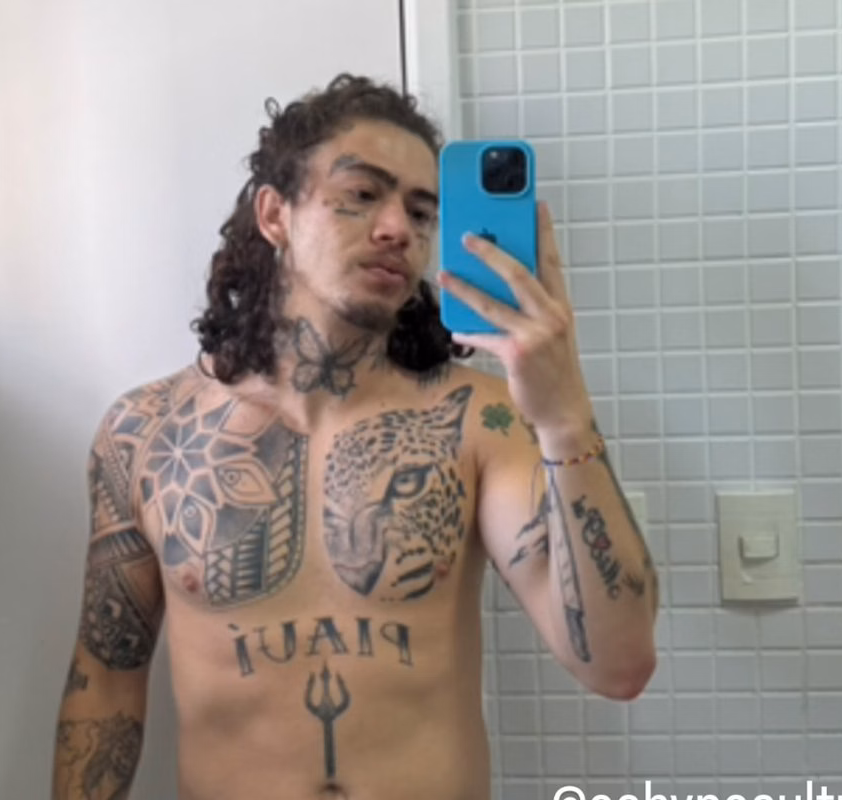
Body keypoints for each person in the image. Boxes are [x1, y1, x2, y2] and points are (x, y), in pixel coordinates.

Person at [51, 73, 658, 800]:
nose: (398, 228)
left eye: (421, 211)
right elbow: (105, 687)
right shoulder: (146, 434)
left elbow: (619, 666)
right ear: (275, 214)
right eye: (362, 194)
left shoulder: (479, 422)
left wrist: (565, 418)